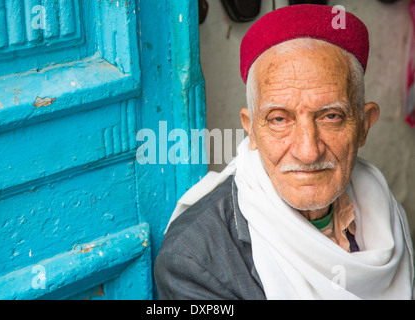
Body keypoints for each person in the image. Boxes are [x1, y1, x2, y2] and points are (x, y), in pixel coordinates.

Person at [154, 4, 414, 300]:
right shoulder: (194, 259)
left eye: (331, 117)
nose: (307, 151)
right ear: (251, 129)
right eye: (279, 119)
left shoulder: (383, 209)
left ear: (364, 125)